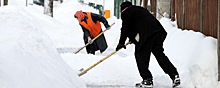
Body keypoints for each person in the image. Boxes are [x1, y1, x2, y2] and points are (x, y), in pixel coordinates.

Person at [115, 1, 181, 88]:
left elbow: (125, 28)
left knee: (140, 55)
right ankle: (174, 75)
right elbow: (136, 27)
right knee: (159, 55)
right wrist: (133, 39)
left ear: (122, 9)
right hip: (159, 32)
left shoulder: (126, 12)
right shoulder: (140, 10)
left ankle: (147, 80)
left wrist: (121, 43)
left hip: (147, 35)